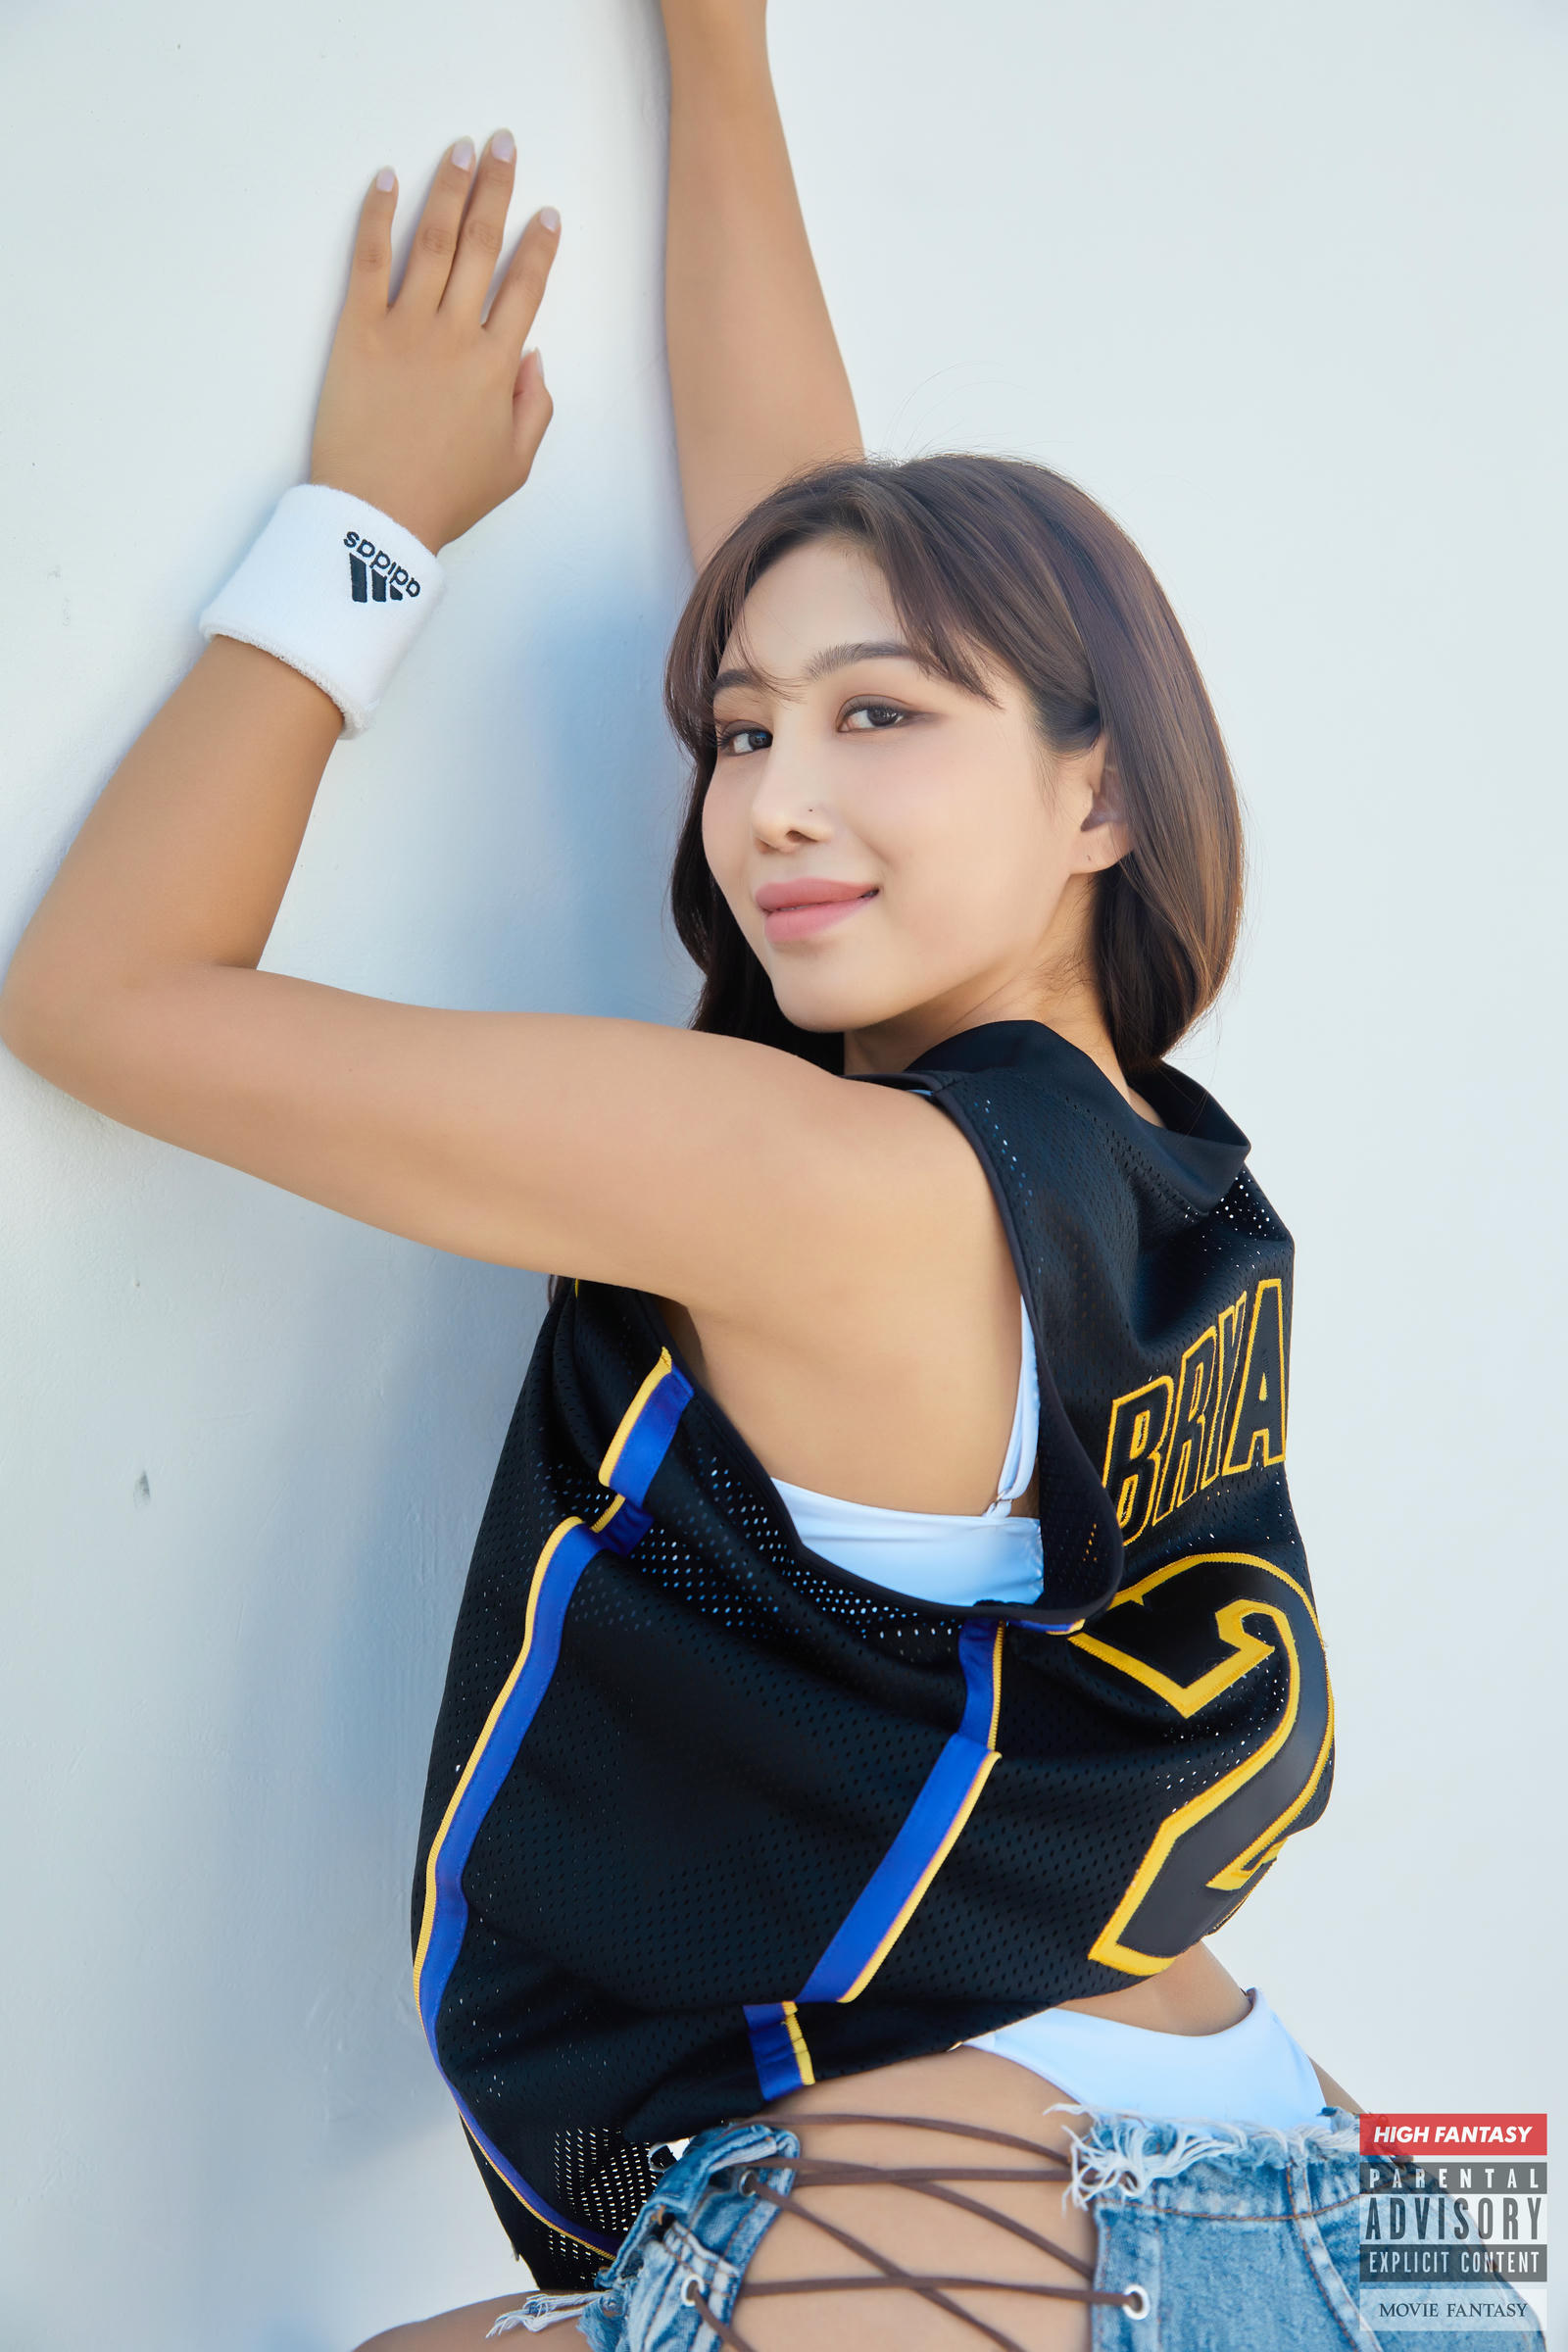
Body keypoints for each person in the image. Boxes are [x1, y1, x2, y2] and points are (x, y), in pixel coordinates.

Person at [0, 7, 1544, 2351]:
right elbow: (812, 513)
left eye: (875, 718)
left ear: (1100, 792)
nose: (772, 796)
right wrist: (713, 59)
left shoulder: (820, 1183)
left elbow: (103, 995)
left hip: (1011, 2254)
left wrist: (365, 529)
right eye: (737, 730)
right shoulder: (1158, 1179)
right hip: (1358, 2222)